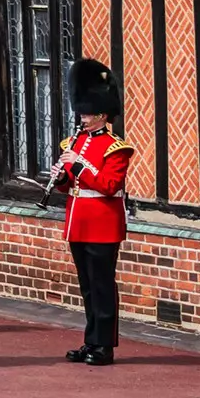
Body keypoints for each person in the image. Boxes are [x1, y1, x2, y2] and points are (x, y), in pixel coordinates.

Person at [59, 59, 133, 366]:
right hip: (79, 221)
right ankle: (90, 340)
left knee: (102, 286)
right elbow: (70, 186)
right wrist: (62, 178)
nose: (82, 116)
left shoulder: (116, 148)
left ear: (102, 115)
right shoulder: (73, 141)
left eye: (87, 113)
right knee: (87, 287)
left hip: (102, 222)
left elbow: (108, 184)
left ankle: (105, 345)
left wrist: (78, 167)